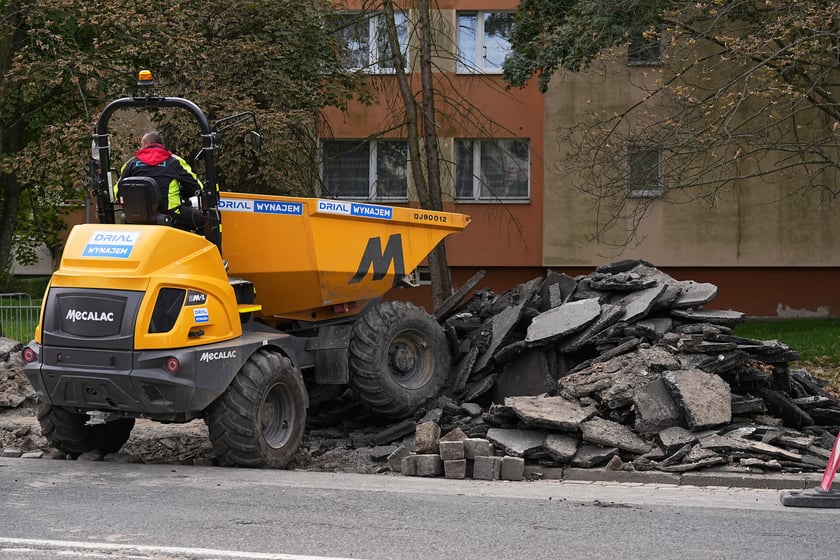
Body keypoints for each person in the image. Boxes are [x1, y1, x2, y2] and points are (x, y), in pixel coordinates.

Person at [117, 131, 207, 232]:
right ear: (161, 145)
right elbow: (196, 186)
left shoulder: (130, 164)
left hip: (136, 216)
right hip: (171, 214)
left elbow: (118, 190)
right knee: (205, 221)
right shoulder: (174, 161)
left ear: (146, 144)